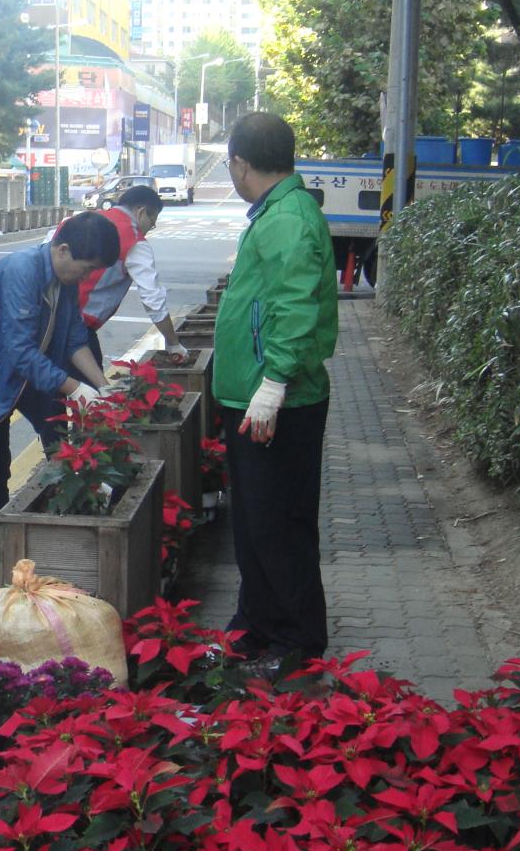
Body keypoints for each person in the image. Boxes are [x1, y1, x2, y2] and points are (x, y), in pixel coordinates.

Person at [0, 211, 121, 602]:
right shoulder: (23, 271)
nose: (86, 278)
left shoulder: (64, 281)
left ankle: (2, 555)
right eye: (86, 269)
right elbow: (21, 352)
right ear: (62, 249)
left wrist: (103, 388)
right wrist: (75, 389)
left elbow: (74, 342)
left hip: (8, 383)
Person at [212, 113, 339, 679]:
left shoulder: (286, 219)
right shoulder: (278, 212)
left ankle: (296, 642)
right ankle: (257, 623)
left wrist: (273, 384)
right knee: (255, 522)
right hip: (255, 397)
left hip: (276, 402)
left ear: (240, 163)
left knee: (278, 524)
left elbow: (293, 307)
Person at [44, 183, 189, 371]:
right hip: (78, 329)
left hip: (44, 321)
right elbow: (153, 300)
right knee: (88, 385)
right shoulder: (135, 242)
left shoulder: (77, 221)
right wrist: (173, 343)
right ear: (141, 212)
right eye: (152, 222)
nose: (150, 228)